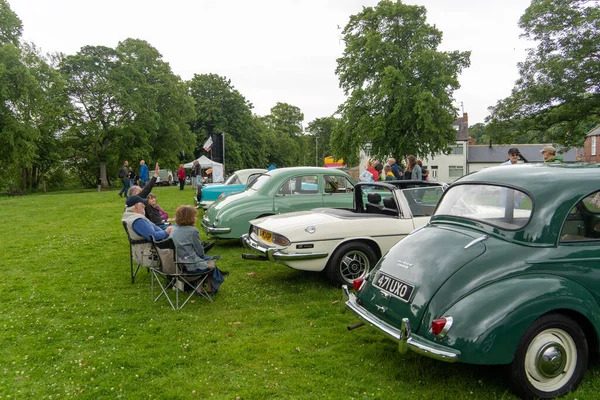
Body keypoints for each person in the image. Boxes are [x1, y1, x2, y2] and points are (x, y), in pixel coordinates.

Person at [170, 206, 226, 294]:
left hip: (178, 265)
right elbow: (200, 251)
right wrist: (204, 258)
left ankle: (200, 289)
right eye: (194, 216)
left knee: (203, 260)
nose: (196, 218)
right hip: (189, 266)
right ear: (189, 218)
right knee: (210, 263)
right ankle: (210, 289)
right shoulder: (192, 231)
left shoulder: (174, 230)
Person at [122, 195, 173, 267]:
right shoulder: (137, 220)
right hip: (150, 252)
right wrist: (167, 232)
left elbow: (155, 228)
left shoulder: (130, 216)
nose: (144, 206)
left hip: (144, 249)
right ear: (136, 206)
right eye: (142, 205)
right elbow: (153, 236)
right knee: (181, 242)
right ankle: (183, 270)